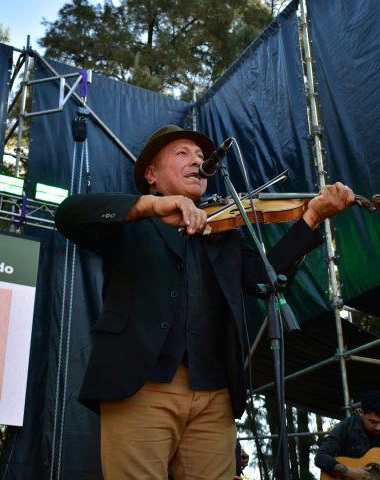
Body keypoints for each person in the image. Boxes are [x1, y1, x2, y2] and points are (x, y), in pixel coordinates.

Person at [55, 124, 354, 479]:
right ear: (151, 175)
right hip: (141, 385)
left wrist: (312, 216)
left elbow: (264, 279)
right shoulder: (132, 220)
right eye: (182, 153)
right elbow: (69, 214)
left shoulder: (224, 231)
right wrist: (154, 205)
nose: (197, 161)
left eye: (201, 156)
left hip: (215, 393)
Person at [315, 390, 380, 480]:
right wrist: (349, 472)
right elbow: (320, 456)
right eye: (372, 422)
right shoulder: (347, 426)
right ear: (361, 412)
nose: (378, 427)